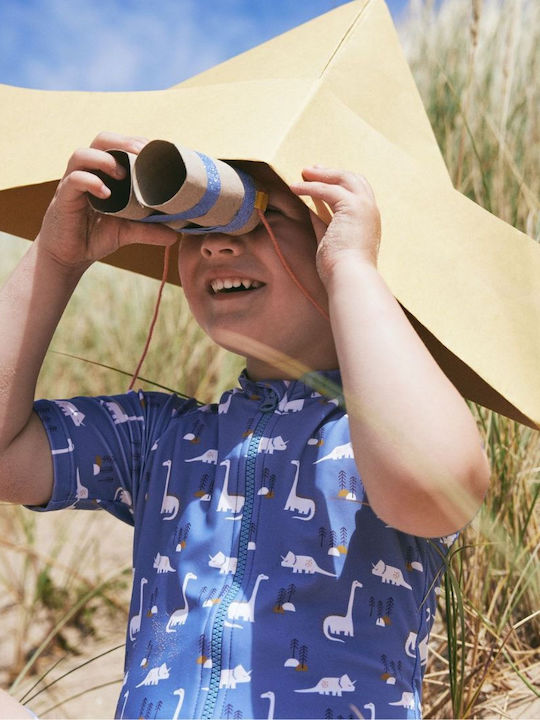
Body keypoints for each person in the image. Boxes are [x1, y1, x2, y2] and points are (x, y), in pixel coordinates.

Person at [0, 132, 490, 719]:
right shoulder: (163, 438)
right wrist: (57, 259)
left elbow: (435, 483)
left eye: (260, 214)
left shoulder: (379, 435)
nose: (215, 245)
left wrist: (353, 268)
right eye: (195, 224)